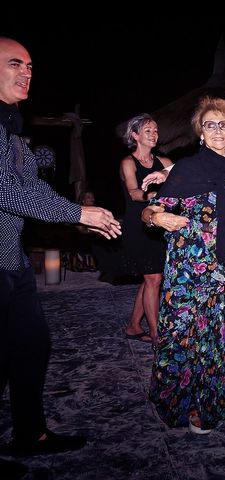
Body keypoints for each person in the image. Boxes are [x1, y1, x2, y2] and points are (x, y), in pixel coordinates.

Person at [0, 37, 121, 461]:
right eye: (15, 64)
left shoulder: (11, 125)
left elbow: (28, 183)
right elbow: (6, 190)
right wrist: (79, 215)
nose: (26, 72)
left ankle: (29, 436)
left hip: (10, 260)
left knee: (32, 344)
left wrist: (80, 210)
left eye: (30, 66)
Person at [142, 96, 225, 434]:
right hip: (190, 268)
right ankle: (183, 404)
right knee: (187, 336)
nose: (217, 131)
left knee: (220, 336)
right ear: (200, 133)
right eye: (210, 125)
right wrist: (160, 220)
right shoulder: (187, 168)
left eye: (223, 125)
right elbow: (150, 210)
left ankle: (216, 403)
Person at [120, 114, 172, 344]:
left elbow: (185, 174)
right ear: (135, 135)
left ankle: (133, 325)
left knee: (150, 278)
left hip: (160, 226)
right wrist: (152, 194)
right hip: (139, 225)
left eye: (155, 130)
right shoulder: (128, 162)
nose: (154, 134)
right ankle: (155, 332)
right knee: (154, 278)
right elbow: (133, 192)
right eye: (148, 130)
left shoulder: (165, 162)